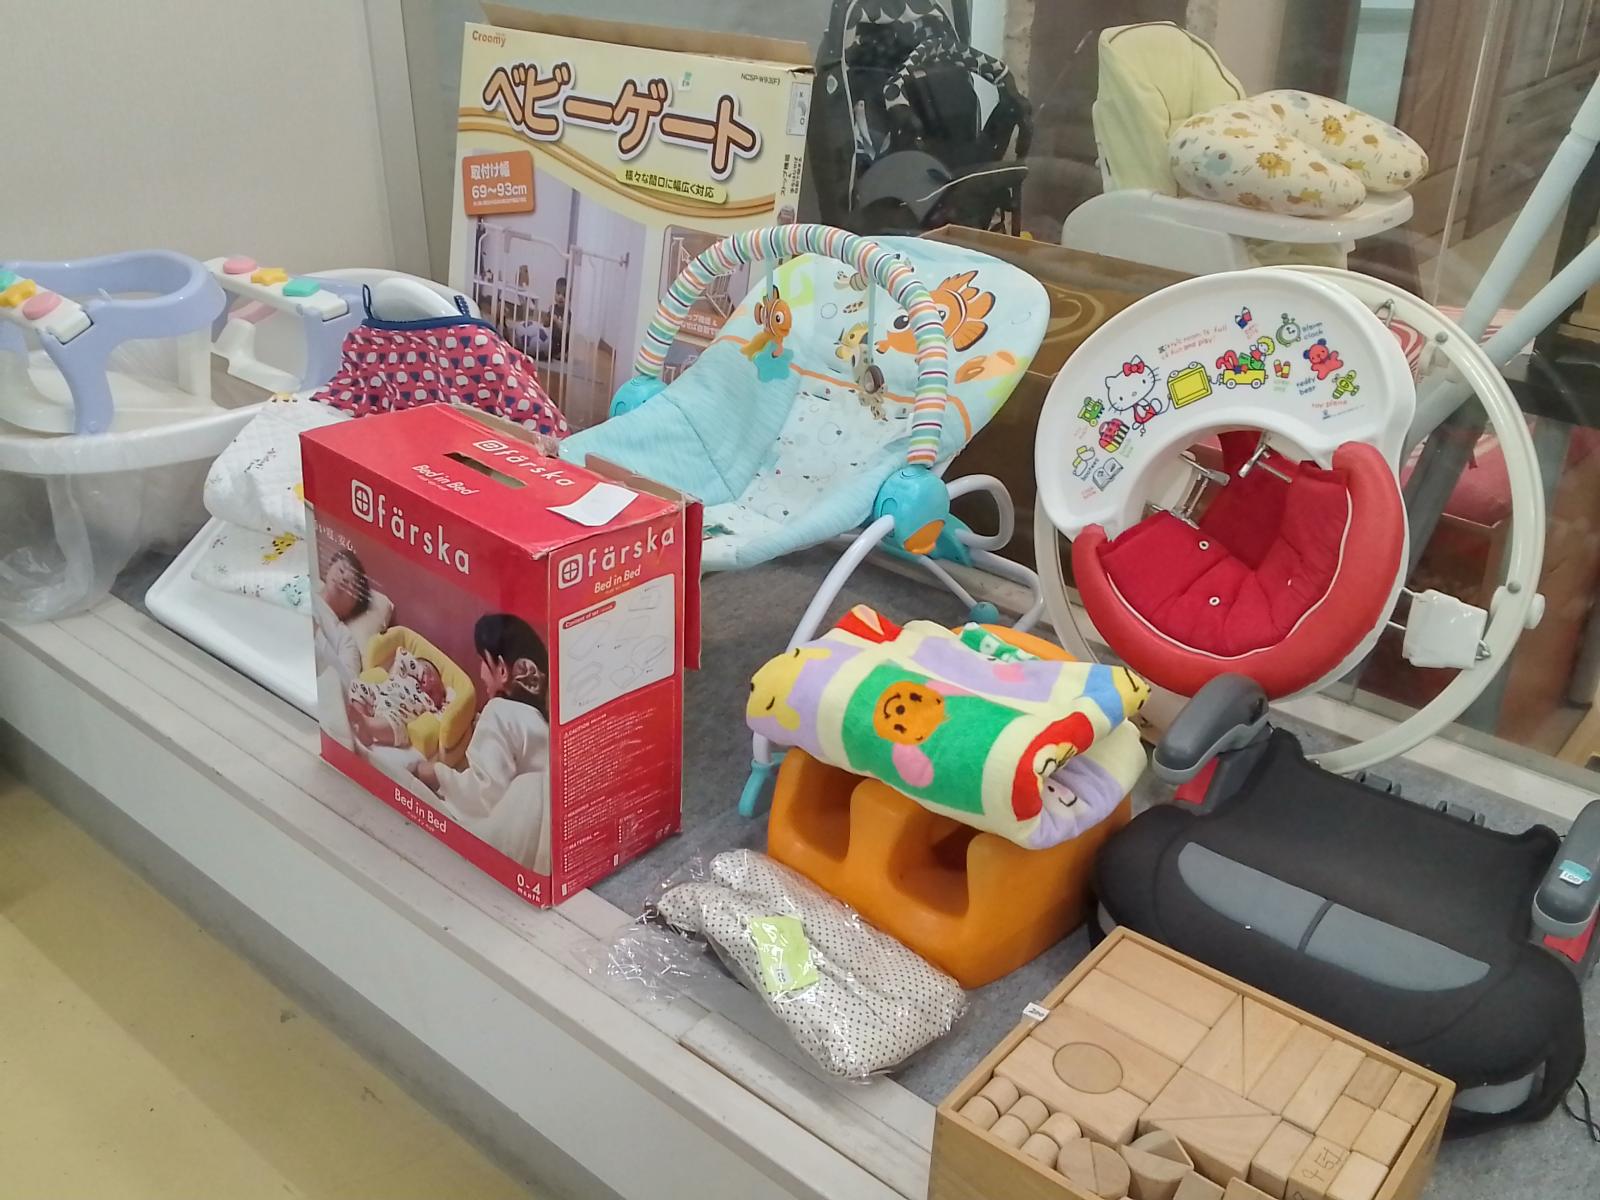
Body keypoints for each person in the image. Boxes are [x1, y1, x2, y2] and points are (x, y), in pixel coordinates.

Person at [411, 614, 552, 873]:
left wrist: (437, 775)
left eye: (482, 662)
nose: (481, 673)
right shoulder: (543, 724)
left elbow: (485, 795)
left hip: (523, 831)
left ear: (502, 670)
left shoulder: (498, 711)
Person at [313, 547, 370, 685]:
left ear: (354, 607)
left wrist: (317, 634)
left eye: (352, 584)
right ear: (328, 569)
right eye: (341, 570)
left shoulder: (345, 639)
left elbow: (350, 684)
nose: (343, 579)